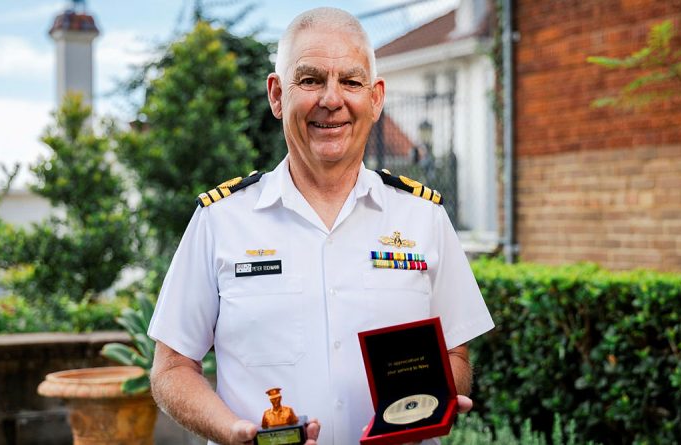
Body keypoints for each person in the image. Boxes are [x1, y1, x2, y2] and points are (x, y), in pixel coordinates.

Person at [147, 7, 494, 445]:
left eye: (350, 81)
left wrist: (439, 395)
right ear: (277, 95)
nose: (331, 100)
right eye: (310, 80)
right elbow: (172, 366)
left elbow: (454, 353)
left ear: (375, 97)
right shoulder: (221, 220)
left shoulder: (423, 217)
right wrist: (233, 432)